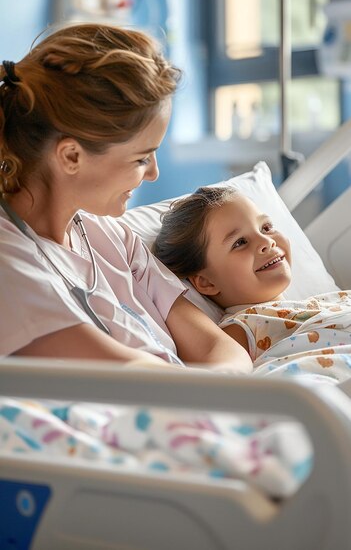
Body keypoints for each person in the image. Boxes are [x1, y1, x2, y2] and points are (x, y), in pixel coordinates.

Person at [0, 23, 252, 374]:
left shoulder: (113, 239)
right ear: (71, 156)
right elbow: (138, 381)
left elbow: (220, 348)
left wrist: (224, 383)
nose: (153, 174)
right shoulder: (10, 265)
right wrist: (224, 387)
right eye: (141, 158)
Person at [153, 186, 351, 363]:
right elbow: (219, 380)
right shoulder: (243, 330)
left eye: (266, 227)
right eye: (240, 242)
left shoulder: (332, 302)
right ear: (206, 282)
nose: (266, 241)